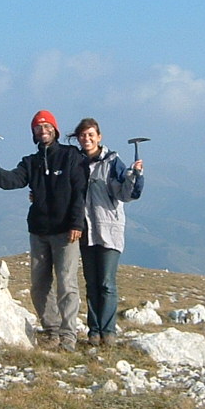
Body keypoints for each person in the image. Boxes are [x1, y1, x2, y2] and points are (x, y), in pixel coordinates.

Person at [0, 110, 88, 351]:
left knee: (66, 284)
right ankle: (52, 331)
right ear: (33, 133)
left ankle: (69, 336)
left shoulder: (71, 156)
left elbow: (80, 192)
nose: (43, 130)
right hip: (39, 231)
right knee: (39, 285)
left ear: (55, 130)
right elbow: (11, 181)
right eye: (38, 128)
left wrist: (76, 223)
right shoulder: (31, 162)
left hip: (66, 232)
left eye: (47, 126)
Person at [73, 117, 144, 348]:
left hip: (109, 230)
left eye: (91, 135)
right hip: (85, 231)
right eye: (83, 135)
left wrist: (135, 177)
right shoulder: (76, 163)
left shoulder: (113, 162)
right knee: (91, 283)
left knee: (106, 283)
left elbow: (126, 194)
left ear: (99, 137)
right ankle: (94, 331)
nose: (87, 139)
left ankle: (109, 331)